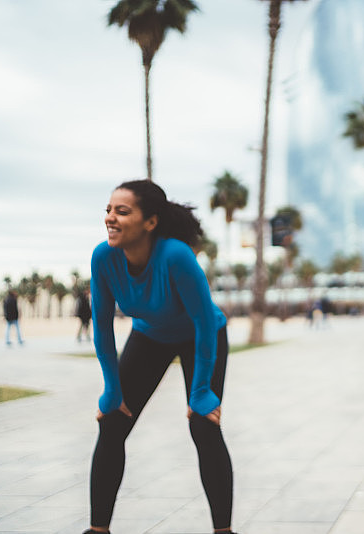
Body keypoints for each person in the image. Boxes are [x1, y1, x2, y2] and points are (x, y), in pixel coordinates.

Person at [84, 180, 236, 534]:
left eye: (122, 211)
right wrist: (111, 390)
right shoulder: (103, 257)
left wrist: (201, 390)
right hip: (150, 336)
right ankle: (97, 530)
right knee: (112, 422)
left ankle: (224, 531)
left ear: (150, 222)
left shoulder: (175, 256)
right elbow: (102, 327)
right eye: (108, 210)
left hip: (201, 336)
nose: (110, 218)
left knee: (204, 425)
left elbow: (204, 322)